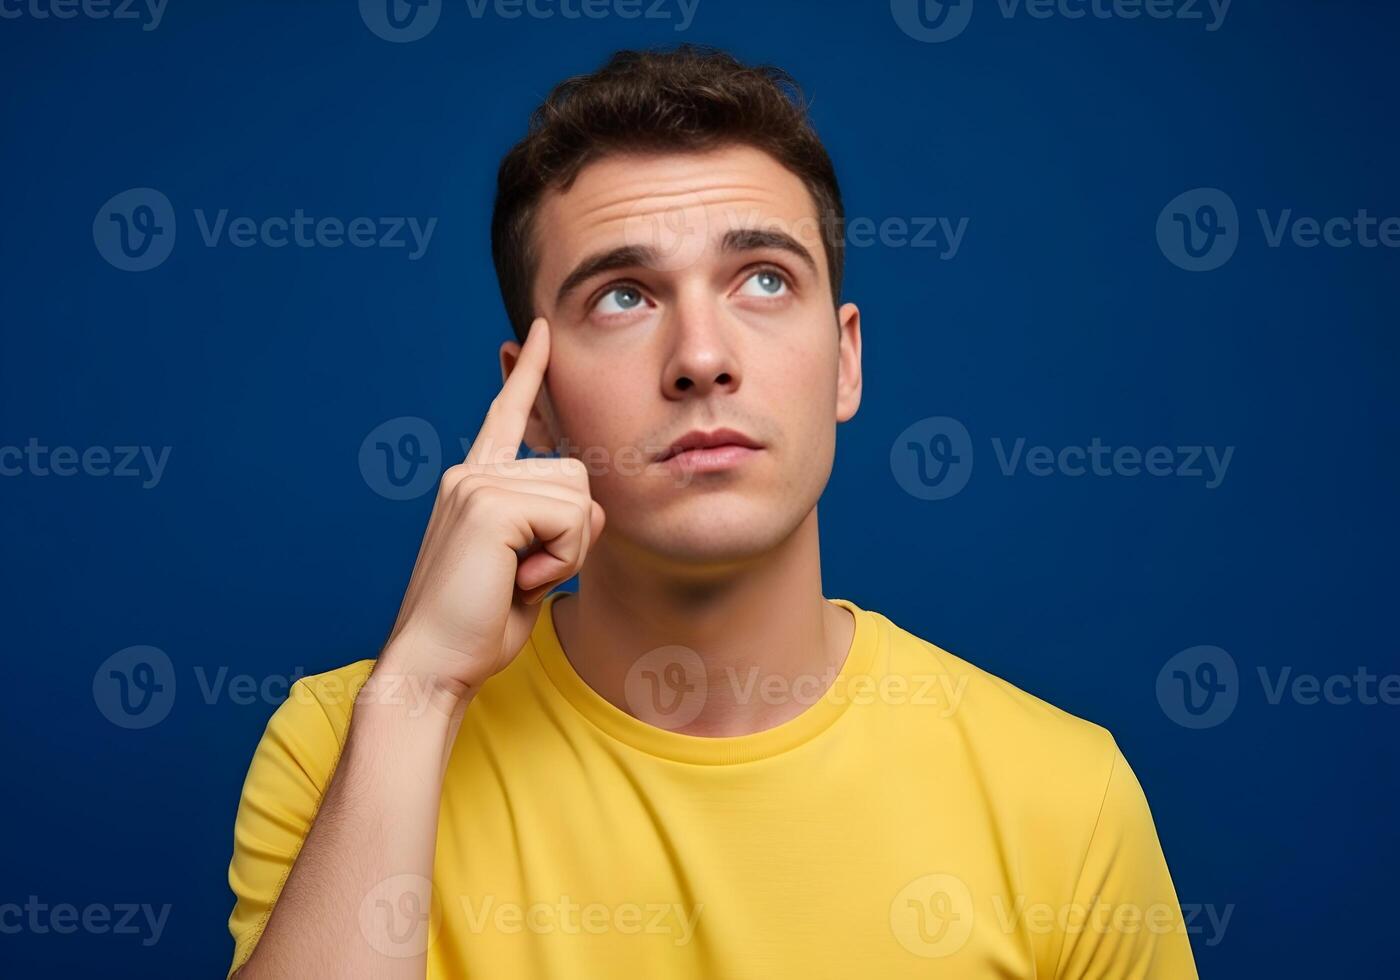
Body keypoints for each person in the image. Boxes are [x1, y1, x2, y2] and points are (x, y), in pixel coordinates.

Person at [225, 44, 1198, 978]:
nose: (700, 354)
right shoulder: (344, 743)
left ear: (845, 358)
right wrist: (423, 691)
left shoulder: (1064, 794)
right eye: (622, 296)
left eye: (763, 280)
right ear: (534, 399)